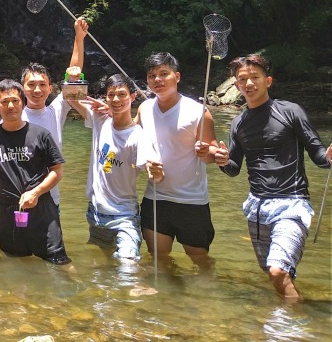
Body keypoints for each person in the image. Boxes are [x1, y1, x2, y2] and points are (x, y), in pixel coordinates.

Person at [214, 54, 332, 302]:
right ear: (236, 86)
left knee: (278, 270)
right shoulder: (239, 123)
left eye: (254, 77)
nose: (249, 84)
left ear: (268, 80)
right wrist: (222, 161)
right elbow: (234, 168)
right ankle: (288, 317)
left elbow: (318, 155)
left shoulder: (290, 112)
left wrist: (330, 157)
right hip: (257, 208)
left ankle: (294, 327)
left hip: (292, 204)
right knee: (274, 272)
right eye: (242, 79)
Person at [0, 79, 70, 264]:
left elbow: (57, 170)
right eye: (4, 102)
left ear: (23, 104)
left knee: (59, 263)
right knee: (15, 264)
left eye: (15, 101)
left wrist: (36, 192)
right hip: (8, 211)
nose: (10, 106)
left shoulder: (40, 135)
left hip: (42, 209)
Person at [136, 52, 218, 266]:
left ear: (177, 76)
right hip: (155, 198)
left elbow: (213, 155)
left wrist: (207, 153)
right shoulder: (144, 109)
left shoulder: (198, 112)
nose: (157, 80)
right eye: (152, 75)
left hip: (191, 201)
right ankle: (167, 300)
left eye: (164, 74)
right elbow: (132, 143)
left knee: (200, 260)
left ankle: (207, 299)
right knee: (159, 260)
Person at [81, 75, 161, 262]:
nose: (116, 99)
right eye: (111, 95)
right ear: (106, 98)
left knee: (128, 264)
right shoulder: (100, 120)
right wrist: (79, 44)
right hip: (95, 213)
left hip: (124, 216)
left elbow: (155, 172)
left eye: (122, 94)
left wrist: (156, 172)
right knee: (101, 265)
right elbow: (71, 96)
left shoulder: (138, 136)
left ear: (133, 97)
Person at [19, 17, 88, 209]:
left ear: (50, 89)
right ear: (23, 89)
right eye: (31, 85)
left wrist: (78, 38)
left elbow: (73, 74)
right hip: (21, 197)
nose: (37, 90)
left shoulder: (55, 111)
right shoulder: (15, 117)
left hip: (50, 198)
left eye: (42, 85)